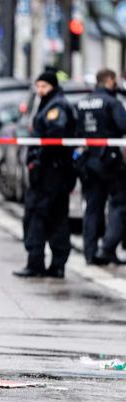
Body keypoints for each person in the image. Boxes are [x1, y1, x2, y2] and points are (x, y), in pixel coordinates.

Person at [13, 71, 76, 278]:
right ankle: (56, 265)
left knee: (37, 216)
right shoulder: (50, 104)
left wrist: (38, 162)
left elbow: (54, 138)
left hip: (50, 174)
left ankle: (37, 263)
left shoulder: (55, 107)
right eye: (38, 86)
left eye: (44, 86)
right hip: (54, 173)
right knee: (56, 218)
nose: (40, 90)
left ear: (53, 86)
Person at [75, 68, 126, 265]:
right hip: (109, 161)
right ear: (110, 81)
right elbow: (123, 125)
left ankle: (90, 252)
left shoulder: (82, 103)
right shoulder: (111, 102)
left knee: (92, 207)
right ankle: (108, 248)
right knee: (119, 203)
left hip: (88, 161)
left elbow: (76, 130)